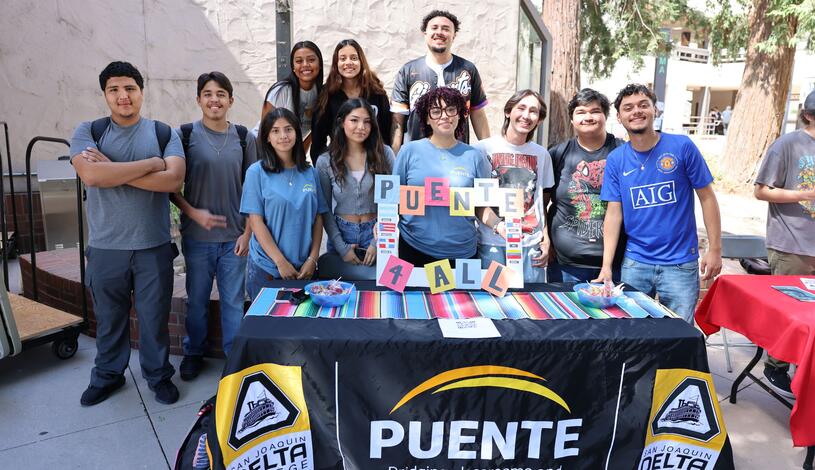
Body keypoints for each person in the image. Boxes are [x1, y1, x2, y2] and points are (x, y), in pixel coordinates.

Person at [70, 61, 185, 406]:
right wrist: (151, 164)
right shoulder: (88, 131)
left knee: (154, 320)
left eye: (130, 88)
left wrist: (112, 169)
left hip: (153, 246)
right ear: (105, 94)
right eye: (114, 90)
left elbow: (173, 180)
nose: (123, 96)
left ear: (141, 92)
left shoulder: (163, 133)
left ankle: (158, 376)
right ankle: (107, 376)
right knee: (109, 321)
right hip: (106, 247)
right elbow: (92, 176)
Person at [595, 84, 722, 323]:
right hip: (635, 262)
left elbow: (707, 198)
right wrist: (607, 265)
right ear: (619, 117)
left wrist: (715, 249)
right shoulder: (616, 159)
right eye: (628, 108)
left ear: (655, 110)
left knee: (679, 333)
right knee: (632, 333)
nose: (636, 111)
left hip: (680, 264)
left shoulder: (682, 147)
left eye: (643, 105)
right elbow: (613, 214)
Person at [171, 72, 257, 380]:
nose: (214, 99)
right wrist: (193, 213)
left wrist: (247, 233)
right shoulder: (184, 135)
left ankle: (233, 360)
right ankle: (194, 352)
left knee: (233, 303)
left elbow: (254, 189)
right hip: (197, 238)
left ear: (230, 100)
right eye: (207, 94)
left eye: (221, 94)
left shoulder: (244, 137)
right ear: (198, 99)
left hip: (235, 238)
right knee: (197, 301)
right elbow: (171, 186)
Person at [753, 89, 815, 399]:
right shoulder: (787, 145)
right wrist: (805, 194)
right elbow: (761, 190)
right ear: (808, 115)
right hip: (791, 243)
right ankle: (775, 366)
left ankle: (806, 369)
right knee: (790, 313)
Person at [392, 87, 491, 267]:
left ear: (460, 114)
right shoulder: (408, 151)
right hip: (413, 249)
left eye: (451, 109)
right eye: (436, 111)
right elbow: (393, 199)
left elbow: (481, 206)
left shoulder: (475, 156)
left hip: (462, 254)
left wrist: (501, 225)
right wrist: (382, 223)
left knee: (461, 290)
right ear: (427, 118)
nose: (444, 116)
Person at [241, 108, 327, 300]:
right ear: (267, 137)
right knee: (266, 319)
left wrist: (313, 259)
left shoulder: (311, 173)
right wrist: (280, 262)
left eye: (288, 129)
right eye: (275, 131)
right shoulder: (256, 172)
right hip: (267, 268)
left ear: (297, 133)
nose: (283, 136)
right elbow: (256, 222)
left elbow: (318, 218)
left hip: (304, 269)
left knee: (303, 318)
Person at [475, 90, 554, 283]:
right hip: (492, 244)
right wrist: (498, 226)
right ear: (508, 111)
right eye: (521, 108)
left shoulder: (542, 155)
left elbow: (541, 202)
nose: (526, 115)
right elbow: (476, 202)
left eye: (533, 111)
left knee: (531, 300)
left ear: (539, 120)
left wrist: (545, 238)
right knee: (494, 300)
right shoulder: (482, 149)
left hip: (530, 245)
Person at [546, 88, 624, 283]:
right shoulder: (557, 154)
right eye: (581, 112)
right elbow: (541, 203)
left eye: (595, 111)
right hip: (565, 267)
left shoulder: (623, 152)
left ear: (605, 116)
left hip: (616, 266)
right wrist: (545, 239)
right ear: (572, 119)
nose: (588, 117)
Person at [316, 99, 395, 279]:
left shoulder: (385, 154)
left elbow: (392, 204)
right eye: (354, 120)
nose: (361, 127)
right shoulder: (325, 161)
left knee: (379, 288)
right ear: (341, 122)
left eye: (367, 122)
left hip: (377, 231)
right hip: (341, 234)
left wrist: (377, 241)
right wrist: (341, 247)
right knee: (340, 289)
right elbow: (324, 209)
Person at [391, 10, 489, 154]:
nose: (439, 32)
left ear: (454, 35)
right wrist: (395, 157)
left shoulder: (468, 70)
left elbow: (478, 114)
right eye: (434, 27)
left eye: (446, 29)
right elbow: (397, 120)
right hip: (418, 156)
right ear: (425, 33)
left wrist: (488, 152)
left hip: (458, 155)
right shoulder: (408, 70)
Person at [310, 39, 392, 161]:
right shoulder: (327, 94)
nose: (348, 63)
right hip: (339, 162)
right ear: (336, 63)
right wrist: (323, 166)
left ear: (361, 61)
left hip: (373, 161)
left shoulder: (376, 92)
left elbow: (386, 131)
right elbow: (318, 138)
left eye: (353, 58)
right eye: (343, 59)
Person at [253, 41, 324, 149]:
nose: (305, 64)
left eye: (311, 60)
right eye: (299, 61)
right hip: (258, 147)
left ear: (320, 65)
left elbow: (310, 134)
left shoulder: (322, 94)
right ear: (293, 67)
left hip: (286, 150)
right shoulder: (280, 91)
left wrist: (299, 157)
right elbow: (265, 131)